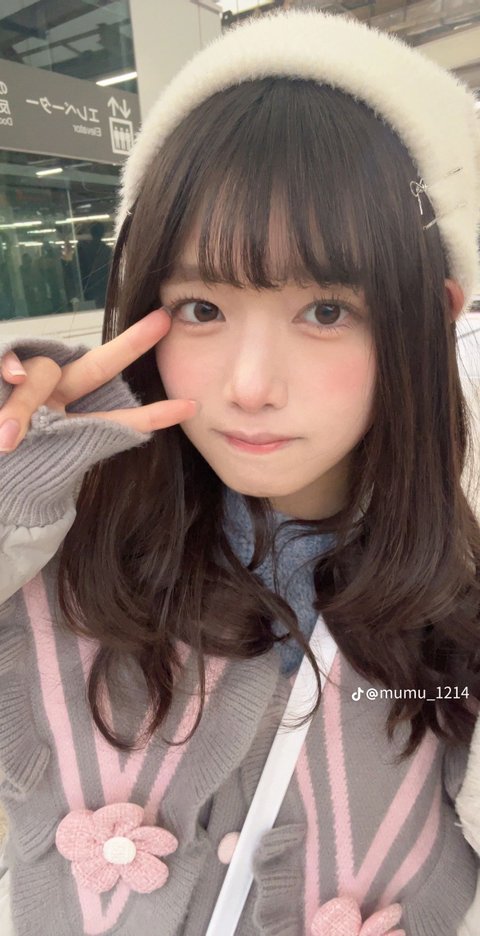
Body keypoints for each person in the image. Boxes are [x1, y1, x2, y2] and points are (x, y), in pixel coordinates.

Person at [0, 8, 479, 935]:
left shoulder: (452, 596)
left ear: (431, 318)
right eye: (202, 307)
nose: (250, 386)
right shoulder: (60, 557)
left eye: (327, 310)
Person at [77, 221, 113, 309]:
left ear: (91, 233)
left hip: (88, 289)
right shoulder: (107, 250)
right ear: (103, 233)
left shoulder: (83, 250)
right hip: (104, 288)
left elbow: (79, 271)